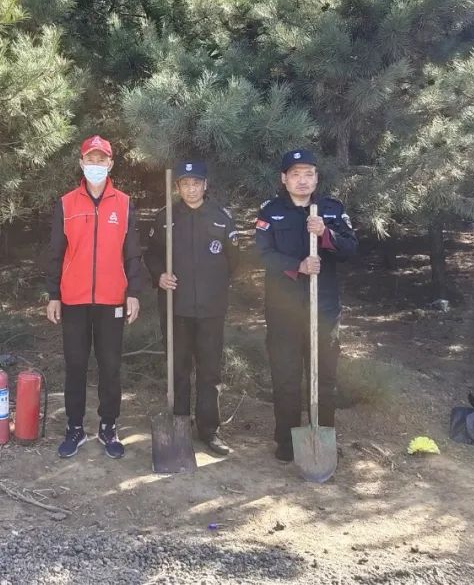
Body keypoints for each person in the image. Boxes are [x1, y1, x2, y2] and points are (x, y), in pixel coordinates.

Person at [255, 148, 358, 462]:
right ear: (284, 179)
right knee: (286, 378)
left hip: (323, 309)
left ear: (316, 178)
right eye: (296, 174)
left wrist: (326, 233)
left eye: (309, 174)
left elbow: (351, 249)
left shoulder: (331, 210)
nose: (302, 180)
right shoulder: (270, 212)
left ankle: (321, 437)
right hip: (283, 310)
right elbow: (261, 254)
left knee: (324, 378)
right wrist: (297, 266)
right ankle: (287, 442)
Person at [44, 135, 143, 459]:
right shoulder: (66, 203)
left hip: (112, 299)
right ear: (82, 163)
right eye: (91, 159)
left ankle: (108, 427)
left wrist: (133, 293)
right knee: (75, 365)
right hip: (73, 299)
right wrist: (54, 294)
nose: (96, 164)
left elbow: (133, 253)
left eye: (102, 159)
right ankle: (74, 428)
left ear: (111, 164)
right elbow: (56, 252)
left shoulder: (124, 203)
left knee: (110, 366)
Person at [144, 160, 239, 457]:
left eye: (196, 183)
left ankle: (209, 429)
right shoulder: (165, 218)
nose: (191, 189)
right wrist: (159, 275)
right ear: (178, 187)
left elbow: (234, 260)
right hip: (176, 307)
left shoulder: (221, 217)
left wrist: (215, 285)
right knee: (178, 368)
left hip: (211, 308)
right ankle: (180, 424)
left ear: (205, 185)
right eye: (185, 184)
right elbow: (151, 255)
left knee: (210, 371)